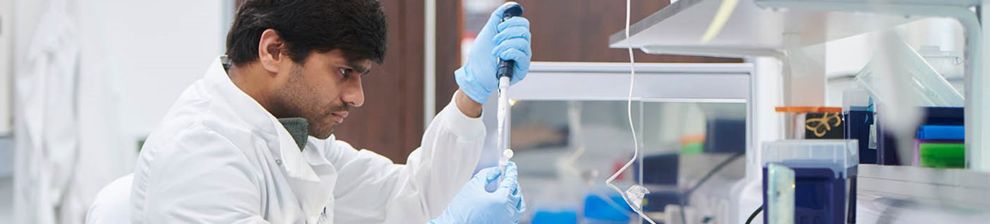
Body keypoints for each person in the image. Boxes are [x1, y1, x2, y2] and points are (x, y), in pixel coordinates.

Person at [128, 0, 532, 223]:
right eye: (344, 72)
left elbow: (407, 196)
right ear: (273, 51)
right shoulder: (198, 155)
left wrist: (471, 95)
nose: (357, 97)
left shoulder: (293, 138)